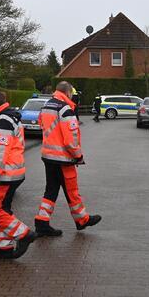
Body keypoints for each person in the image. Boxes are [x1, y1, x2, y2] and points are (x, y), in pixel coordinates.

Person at [34, 81, 102, 237]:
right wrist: (78, 156)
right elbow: (70, 139)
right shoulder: (65, 109)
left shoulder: (46, 106)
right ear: (68, 93)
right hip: (63, 158)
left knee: (50, 190)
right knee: (72, 191)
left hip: (48, 156)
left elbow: (42, 125)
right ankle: (82, 220)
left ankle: (41, 222)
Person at [0, 90, 37, 260]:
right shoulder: (6, 118)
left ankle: (24, 234)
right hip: (10, 174)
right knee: (3, 210)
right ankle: (3, 248)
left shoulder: (3, 121)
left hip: (3, 176)